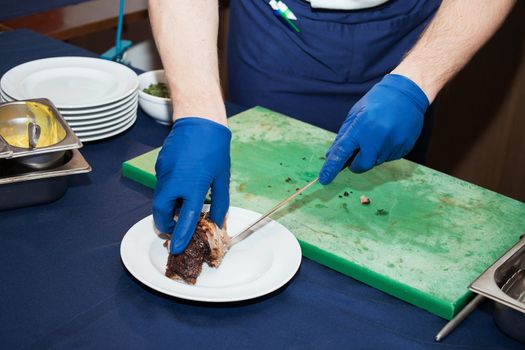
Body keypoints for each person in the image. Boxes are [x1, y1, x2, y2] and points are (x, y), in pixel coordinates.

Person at [148, 0, 516, 254]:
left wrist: (417, 82)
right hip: (277, 24)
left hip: (414, 32)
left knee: (380, 214)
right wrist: (198, 112)